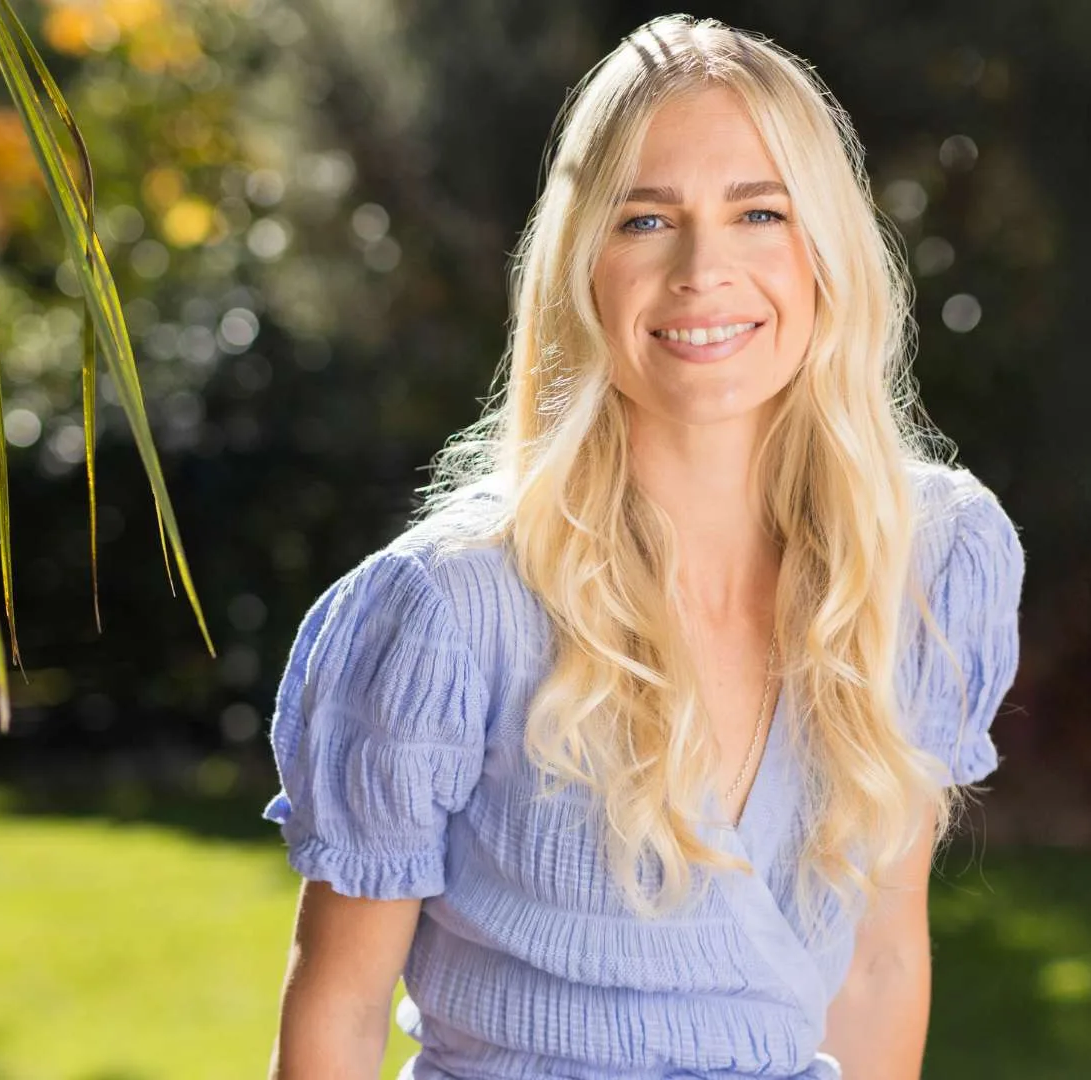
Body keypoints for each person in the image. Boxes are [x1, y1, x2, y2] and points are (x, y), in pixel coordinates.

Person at [263, 14, 1024, 1080]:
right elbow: (338, 1010)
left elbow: (879, 965)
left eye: (760, 211)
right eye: (646, 221)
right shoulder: (450, 610)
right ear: (580, 267)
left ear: (826, 253)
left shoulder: (923, 565)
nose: (705, 269)